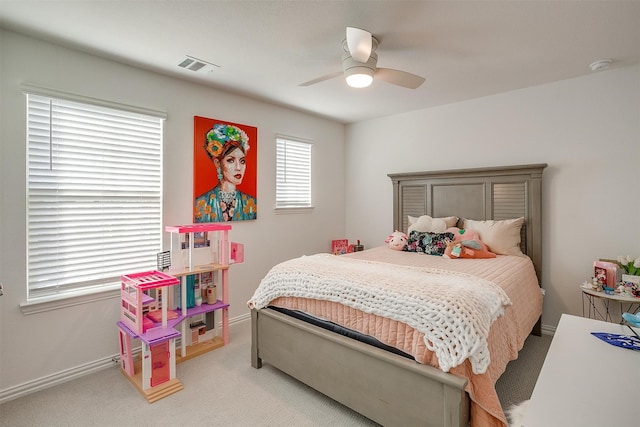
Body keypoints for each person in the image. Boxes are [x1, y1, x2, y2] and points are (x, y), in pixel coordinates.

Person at [194, 123, 257, 222]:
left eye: (242, 161)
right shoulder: (200, 204)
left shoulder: (251, 203)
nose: (238, 167)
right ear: (218, 163)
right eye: (231, 160)